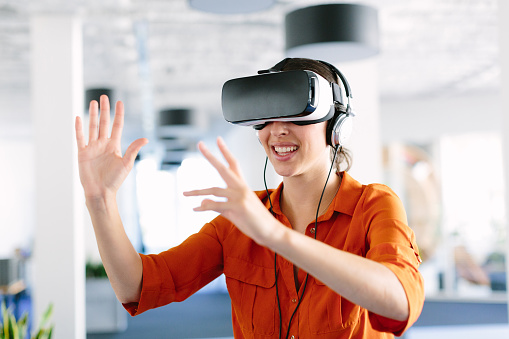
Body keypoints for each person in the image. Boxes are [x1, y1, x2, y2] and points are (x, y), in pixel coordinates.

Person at [75, 58, 424, 339]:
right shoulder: (241, 219)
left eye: (296, 114)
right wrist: (100, 200)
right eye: (267, 118)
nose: (277, 130)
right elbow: (137, 285)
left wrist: (275, 236)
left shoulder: (374, 205)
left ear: (336, 126)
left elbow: (400, 302)